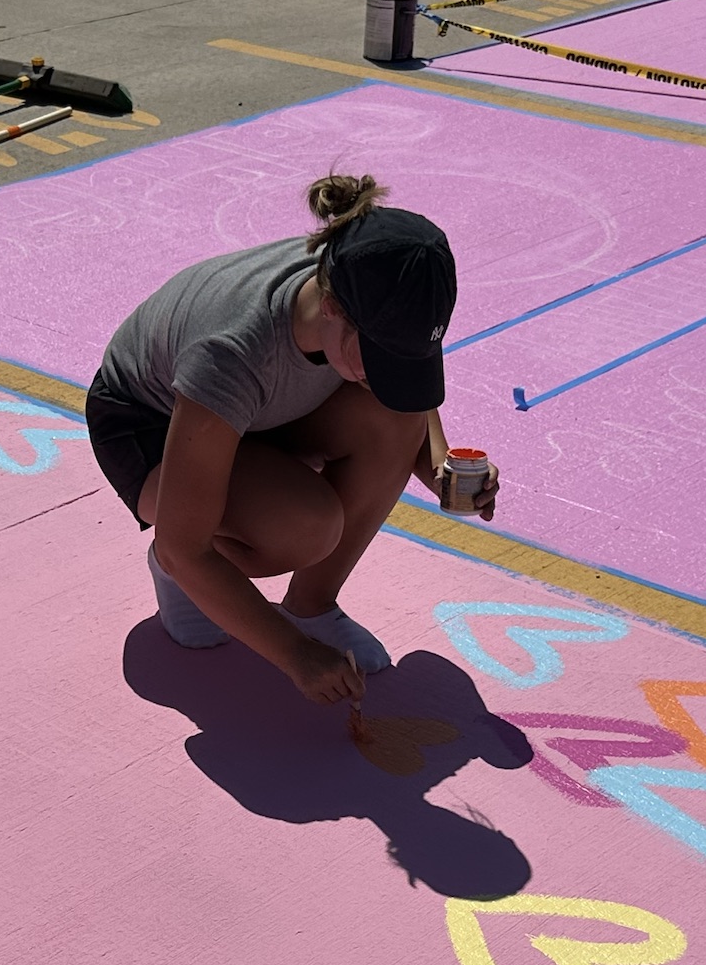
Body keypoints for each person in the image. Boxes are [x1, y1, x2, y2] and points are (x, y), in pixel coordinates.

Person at [85, 173, 497, 707]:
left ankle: (313, 605)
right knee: (302, 526)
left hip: (259, 409)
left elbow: (410, 406)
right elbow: (186, 547)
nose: (388, 375)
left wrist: (440, 469)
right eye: (381, 361)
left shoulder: (364, 287)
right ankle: (178, 580)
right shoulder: (230, 350)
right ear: (331, 308)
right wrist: (292, 653)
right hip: (152, 425)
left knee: (394, 417)